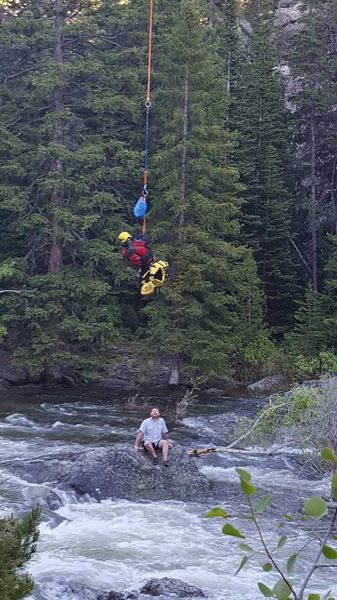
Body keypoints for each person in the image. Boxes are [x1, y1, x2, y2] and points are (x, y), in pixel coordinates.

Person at [118, 231, 169, 296]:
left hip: (143, 268)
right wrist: (142, 236)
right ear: (129, 237)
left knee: (142, 281)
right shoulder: (138, 243)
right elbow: (148, 238)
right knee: (163, 267)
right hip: (151, 262)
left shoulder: (125, 252)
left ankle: (149, 291)